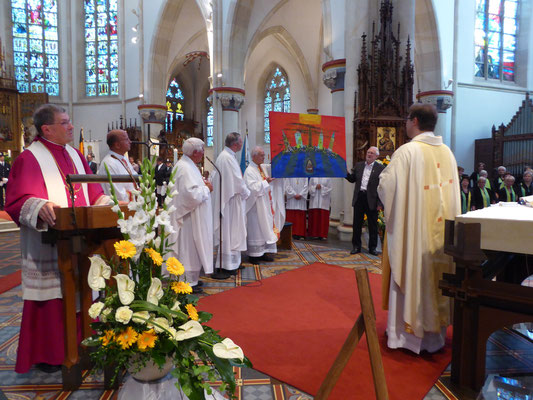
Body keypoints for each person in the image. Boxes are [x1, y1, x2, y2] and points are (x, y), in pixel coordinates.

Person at [5, 104, 109, 373]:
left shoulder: (75, 154)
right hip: (50, 244)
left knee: (85, 290)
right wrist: (39, 207)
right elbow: (17, 201)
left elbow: (93, 189)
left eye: (69, 121)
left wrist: (105, 201)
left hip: (83, 240)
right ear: (46, 129)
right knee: (52, 298)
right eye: (64, 123)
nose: (71, 126)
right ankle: (51, 354)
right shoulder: (29, 158)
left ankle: (86, 343)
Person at [378, 103, 460, 354]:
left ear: (414, 121)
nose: (405, 124)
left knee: (412, 274)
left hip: (414, 237)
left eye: (406, 120)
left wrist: (383, 176)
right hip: (440, 240)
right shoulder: (447, 152)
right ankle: (433, 339)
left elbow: (386, 188)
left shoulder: (407, 152)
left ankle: (405, 337)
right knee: (436, 280)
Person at [168, 138, 213, 294]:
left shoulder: (188, 165)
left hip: (193, 215)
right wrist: (207, 189)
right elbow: (191, 195)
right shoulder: (185, 167)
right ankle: (186, 281)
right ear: (196, 153)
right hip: (187, 217)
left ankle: (191, 279)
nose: (203, 154)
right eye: (202, 151)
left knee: (191, 249)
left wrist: (203, 185)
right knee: (187, 248)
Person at [212, 132, 250, 275]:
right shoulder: (226, 158)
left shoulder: (228, 156)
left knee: (235, 232)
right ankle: (226, 264)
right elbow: (237, 181)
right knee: (230, 232)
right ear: (235, 144)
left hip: (233, 200)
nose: (241, 145)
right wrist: (247, 192)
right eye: (240, 142)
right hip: (230, 202)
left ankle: (234, 262)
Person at [345, 146, 384, 255]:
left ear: (376, 156)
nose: (369, 154)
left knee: (373, 225)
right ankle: (356, 247)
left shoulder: (381, 168)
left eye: (372, 153)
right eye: (368, 152)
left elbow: (383, 186)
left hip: (372, 199)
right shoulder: (359, 165)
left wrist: (380, 203)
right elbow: (352, 179)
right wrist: (345, 173)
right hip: (359, 198)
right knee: (357, 224)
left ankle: (372, 248)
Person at [244, 147, 278, 264]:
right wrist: (265, 182)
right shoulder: (249, 171)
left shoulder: (261, 168)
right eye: (261, 155)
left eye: (264, 155)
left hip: (265, 203)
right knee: (256, 229)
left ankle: (263, 252)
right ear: (254, 156)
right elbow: (251, 188)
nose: (264, 157)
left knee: (265, 227)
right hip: (255, 206)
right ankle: (254, 255)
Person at [98, 130, 137, 202]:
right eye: (126, 139)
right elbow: (118, 195)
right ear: (117, 145)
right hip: (120, 209)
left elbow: (134, 177)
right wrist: (138, 195)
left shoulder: (123, 159)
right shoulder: (109, 163)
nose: (130, 141)